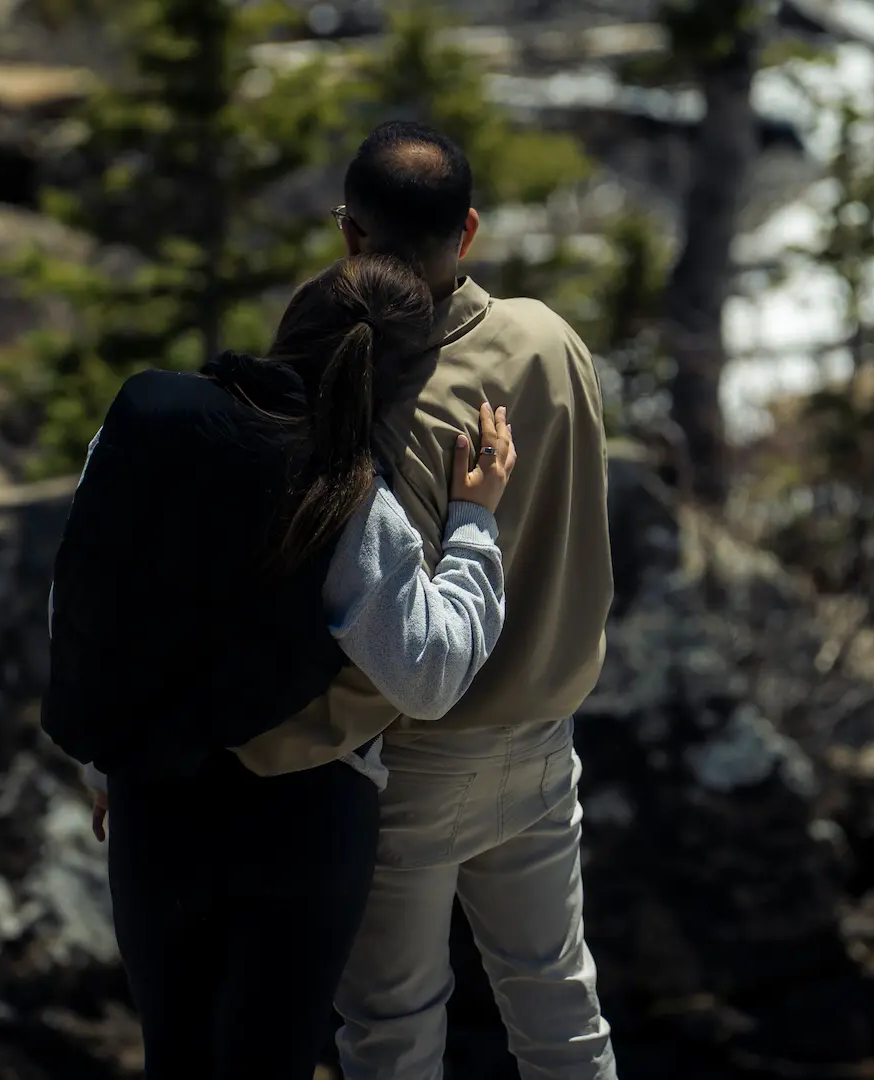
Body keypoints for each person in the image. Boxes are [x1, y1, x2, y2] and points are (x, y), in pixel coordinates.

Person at [43, 252, 520, 1080]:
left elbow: (84, 597)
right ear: (403, 383)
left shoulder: (143, 414)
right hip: (306, 816)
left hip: (155, 807)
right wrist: (475, 522)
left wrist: (101, 761)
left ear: (290, 327)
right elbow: (429, 675)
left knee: (176, 1058)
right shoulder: (347, 495)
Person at [235, 122, 620, 1079]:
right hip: (546, 738)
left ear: (348, 237)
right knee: (561, 1011)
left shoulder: (359, 393)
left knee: (393, 1032)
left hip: (412, 760)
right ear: (471, 231)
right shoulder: (549, 338)